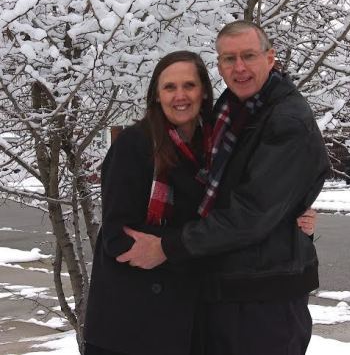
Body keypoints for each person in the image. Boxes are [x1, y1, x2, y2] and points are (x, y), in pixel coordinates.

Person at [118, 21, 330, 355]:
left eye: (248, 55)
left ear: (271, 58)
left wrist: (168, 247)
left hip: (263, 300)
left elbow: (251, 214)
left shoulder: (286, 120)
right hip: (229, 291)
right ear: (218, 66)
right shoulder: (233, 110)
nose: (239, 67)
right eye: (229, 59)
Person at [84, 51, 214, 355]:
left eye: (189, 85)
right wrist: (186, 245)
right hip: (131, 325)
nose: (180, 96)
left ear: (204, 91)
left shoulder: (214, 147)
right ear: (156, 95)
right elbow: (118, 237)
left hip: (189, 316)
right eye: (169, 87)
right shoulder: (135, 144)